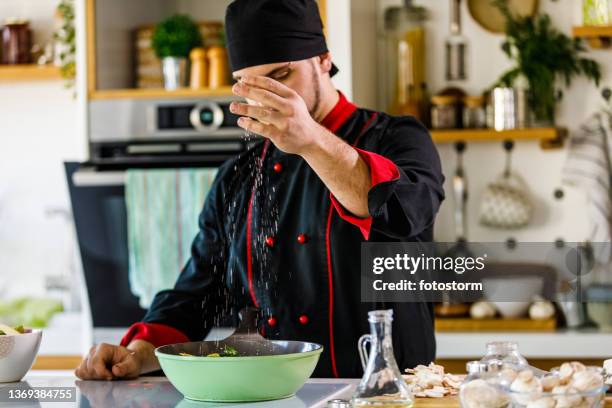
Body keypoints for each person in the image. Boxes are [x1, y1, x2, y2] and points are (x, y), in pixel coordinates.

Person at [75, 0, 444, 381]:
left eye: (281, 76)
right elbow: (198, 295)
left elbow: (402, 210)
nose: (266, 99)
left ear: (323, 60)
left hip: (390, 395)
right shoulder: (238, 176)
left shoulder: (397, 138)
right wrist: (137, 354)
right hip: (273, 396)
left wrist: (311, 141)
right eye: (249, 86)